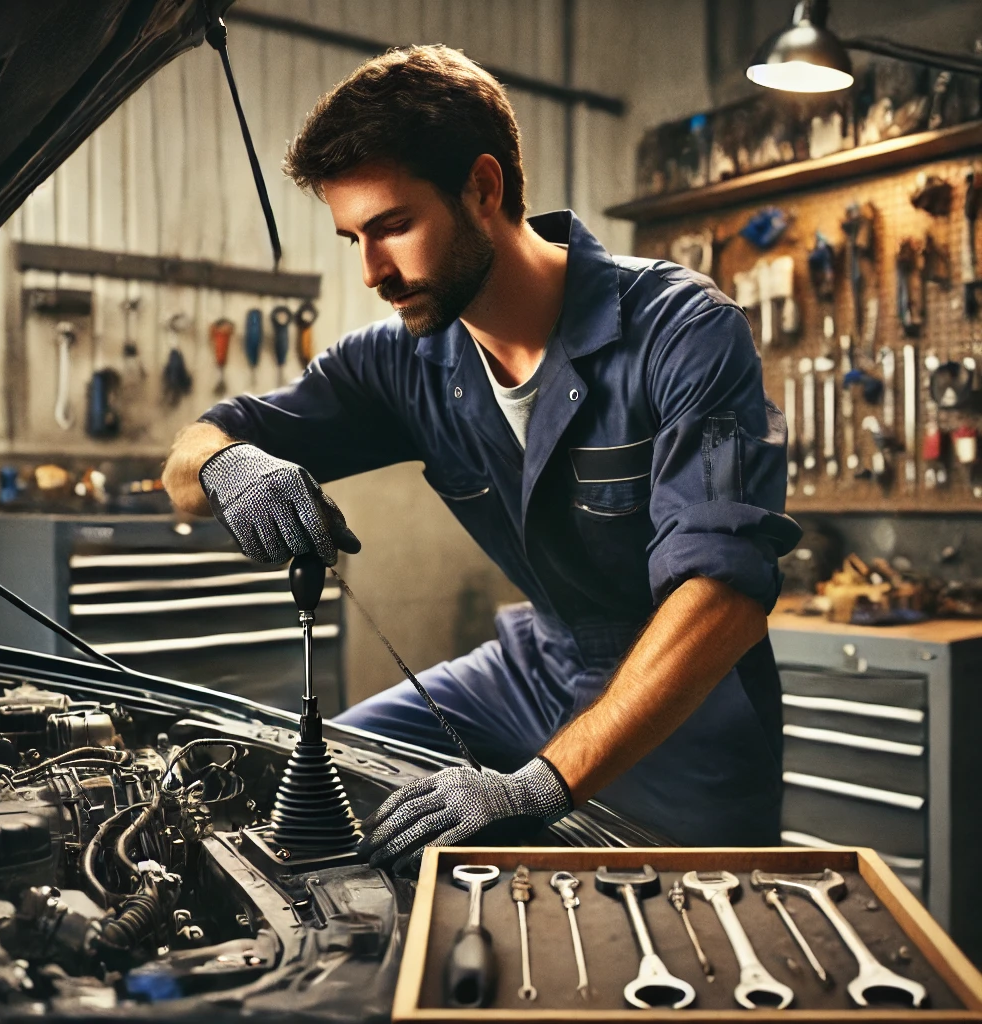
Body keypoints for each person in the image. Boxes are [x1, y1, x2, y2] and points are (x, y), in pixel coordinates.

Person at [163, 44, 801, 873]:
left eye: (393, 227)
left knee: (681, 952)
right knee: (323, 793)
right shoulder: (400, 362)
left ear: (484, 188)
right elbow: (188, 456)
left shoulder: (680, 330)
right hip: (530, 669)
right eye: (354, 236)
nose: (372, 273)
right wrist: (227, 465)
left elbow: (722, 599)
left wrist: (535, 785)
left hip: (683, 705)